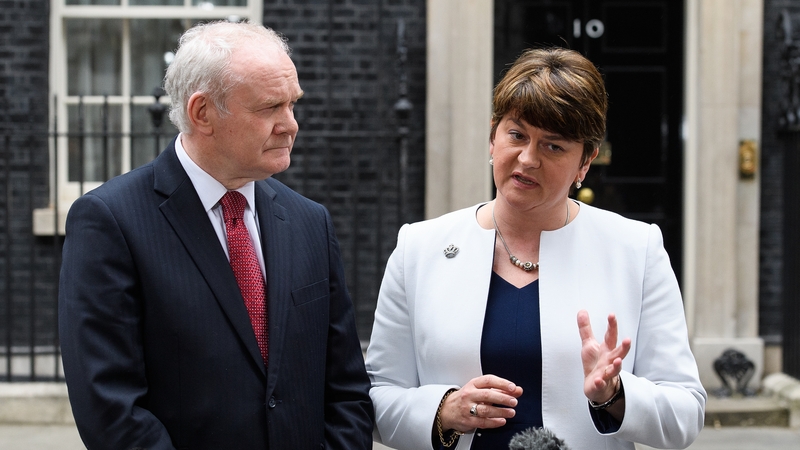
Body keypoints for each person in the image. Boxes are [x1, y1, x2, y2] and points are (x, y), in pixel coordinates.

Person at [365, 47, 706, 450]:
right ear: (493, 136)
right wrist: (445, 411)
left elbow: (686, 413)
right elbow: (378, 396)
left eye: (553, 146)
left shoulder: (636, 249)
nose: (527, 159)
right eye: (517, 135)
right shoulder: (419, 248)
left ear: (586, 162)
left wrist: (614, 395)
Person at [58, 21, 373, 450]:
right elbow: (111, 409)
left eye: (292, 104)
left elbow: (347, 388)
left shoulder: (309, 221)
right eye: (269, 108)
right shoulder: (110, 221)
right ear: (202, 112)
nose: (290, 124)